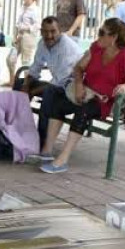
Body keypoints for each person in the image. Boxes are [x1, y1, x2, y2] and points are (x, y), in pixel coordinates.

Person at [40, 18, 125, 174]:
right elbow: (78, 68)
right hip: (87, 93)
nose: (98, 36)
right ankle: (46, 151)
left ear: (114, 37)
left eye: (102, 33)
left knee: (83, 110)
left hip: (108, 101)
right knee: (58, 103)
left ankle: (62, 159)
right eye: (99, 32)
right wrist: (78, 85)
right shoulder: (96, 48)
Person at [18, 16, 82, 151]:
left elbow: (59, 82)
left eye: (53, 31)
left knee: (49, 93)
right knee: (19, 83)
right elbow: (35, 68)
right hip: (58, 84)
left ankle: (41, 142)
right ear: (41, 32)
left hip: (72, 89)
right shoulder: (42, 43)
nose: (49, 35)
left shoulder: (66, 47)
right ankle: (16, 128)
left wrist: (31, 92)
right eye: (46, 32)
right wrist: (25, 86)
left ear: (60, 31)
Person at [5, 0, 39, 88]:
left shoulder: (35, 9)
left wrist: (26, 28)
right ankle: (12, 80)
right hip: (19, 35)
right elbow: (17, 23)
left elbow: (38, 25)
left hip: (28, 37)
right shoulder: (23, 7)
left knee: (26, 61)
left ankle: (26, 84)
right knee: (10, 59)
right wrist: (14, 35)